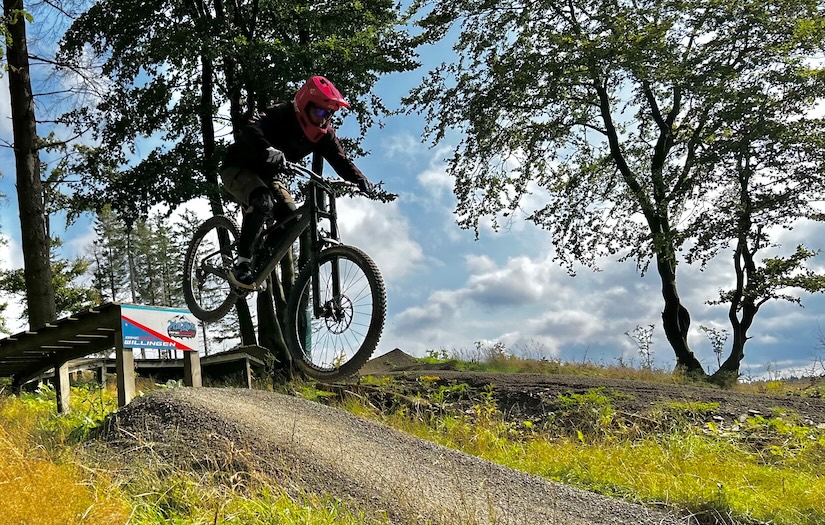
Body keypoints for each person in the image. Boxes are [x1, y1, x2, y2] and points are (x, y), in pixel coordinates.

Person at [219, 75, 372, 288]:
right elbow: (250, 128)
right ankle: (242, 263)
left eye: (328, 114)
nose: (323, 118)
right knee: (263, 201)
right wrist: (266, 147)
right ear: (304, 104)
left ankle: (257, 261)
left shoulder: (324, 134)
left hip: (268, 176)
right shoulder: (282, 113)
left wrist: (359, 180)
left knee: (290, 222)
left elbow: (340, 159)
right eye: (319, 111)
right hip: (238, 167)